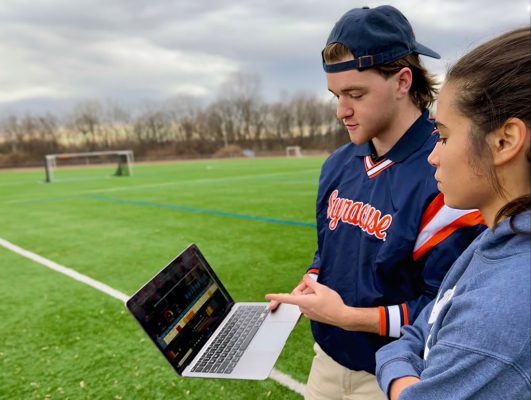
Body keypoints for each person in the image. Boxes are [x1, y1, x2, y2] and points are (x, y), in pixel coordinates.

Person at [266, 5, 485, 400]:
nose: (341, 111)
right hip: (328, 359)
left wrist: (349, 317)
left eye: (355, 94)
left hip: (397, 373)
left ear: (403, 81)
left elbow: (447, 309)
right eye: (335, 95)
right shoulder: (337, 164)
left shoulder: (448, 172)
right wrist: (313, 281)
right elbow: (328, 249)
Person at [375, 27, 531, 400]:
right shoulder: (497, 237)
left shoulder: (501, 310)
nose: (433, 155)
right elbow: (418, 332)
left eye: (443, 136)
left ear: (505, 141)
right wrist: (403, 372)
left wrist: (401, 384)